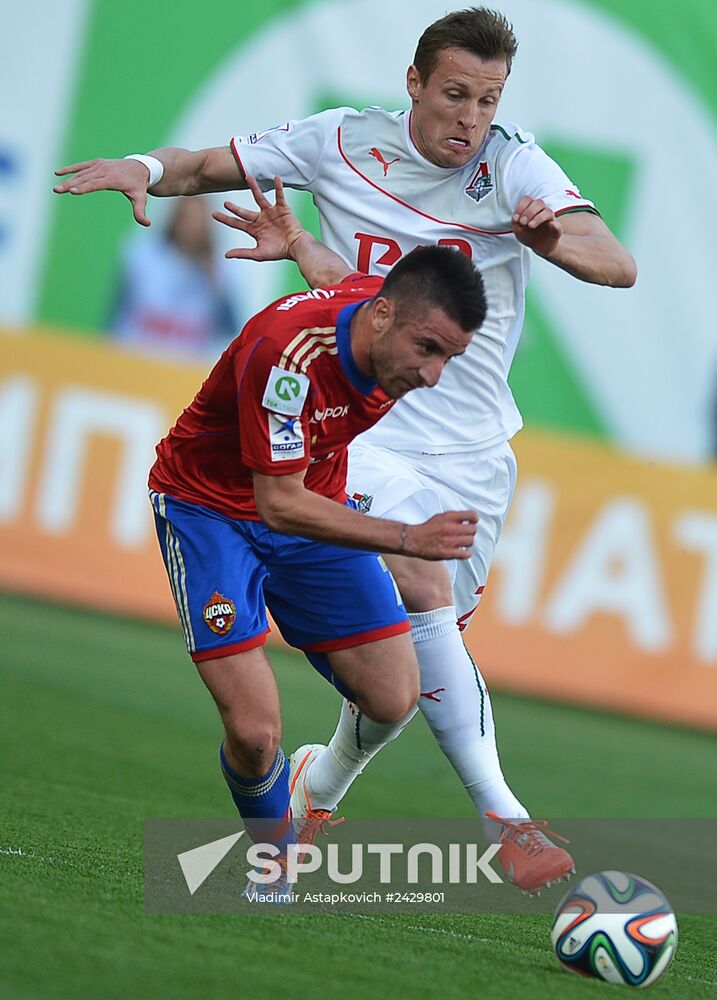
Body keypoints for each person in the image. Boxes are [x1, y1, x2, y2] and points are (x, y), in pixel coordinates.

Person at [53, 7, 636, 894]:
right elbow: (208, 167)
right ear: (413, 84)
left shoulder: (512, 164)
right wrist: (137, 168)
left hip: (471, 448)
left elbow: (615, 262)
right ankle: (506, 820)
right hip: (357, 428)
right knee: (421, 584)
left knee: (405, 675)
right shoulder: (341, 141)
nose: (469, 117)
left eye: (486, 99)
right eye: (453, 95)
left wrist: (548, 235)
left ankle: (315, 787)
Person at [146, 174, 485, 900]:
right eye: (427, 349)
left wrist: (297, 240)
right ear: (383, 317)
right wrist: (405, 538)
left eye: (447, 359)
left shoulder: (377, 311)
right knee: (254, 733)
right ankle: (273, 863)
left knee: (393, 700)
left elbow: (339, 276)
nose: (431, 375)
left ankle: (309, 779)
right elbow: (277, 504)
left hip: (308, 507)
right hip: (211, 511)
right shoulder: (286, 357)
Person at [109, 195, 239, 361]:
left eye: (197, 220)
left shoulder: (219, 268)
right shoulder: (144, 256)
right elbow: (117, 311)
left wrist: (216, 284)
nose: (191, 227)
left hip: (183, 370)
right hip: (135, 359)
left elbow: (231, 329)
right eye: (186, 218)